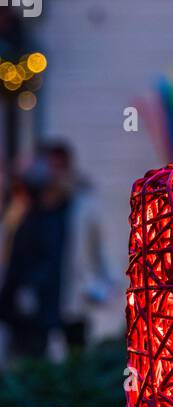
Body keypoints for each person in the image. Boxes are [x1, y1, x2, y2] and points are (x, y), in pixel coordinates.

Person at [0, 142, 114, 359]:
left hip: (71, 294)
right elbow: (15, 252)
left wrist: (105, 282)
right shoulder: (27, 206)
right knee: (33, 356)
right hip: (36, 300)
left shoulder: (81, 206)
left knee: (76, 355)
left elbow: (97, 248)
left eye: (59, 167)